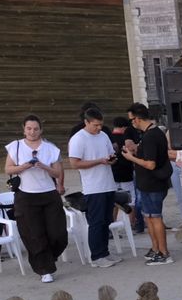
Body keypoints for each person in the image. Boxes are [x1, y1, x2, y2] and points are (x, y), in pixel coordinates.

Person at [3, 114, 68, 282]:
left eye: (36, 129)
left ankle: (49, 256)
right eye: (29, 129)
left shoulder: (50, 148)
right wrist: (24, 166)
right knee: (33, 234)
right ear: (24, 130)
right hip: (26, 195)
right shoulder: (15, 146)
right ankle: (44, 269)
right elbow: (8, 169)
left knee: (57, 233)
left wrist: (43, 166)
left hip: (48, 193)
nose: (32, 132)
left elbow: (57, 172)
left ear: (41, 130)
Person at [119, 103, 175, 266]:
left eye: (132, 120)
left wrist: (132, 158)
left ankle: (163, 252)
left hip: (153, 183)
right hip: (148, 183)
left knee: (155, 217)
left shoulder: (151, 136)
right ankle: (156, 248)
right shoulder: (152, 134)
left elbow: (150, 164)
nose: (132, 123)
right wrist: (136, 152)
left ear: (137, 118)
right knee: (149, 216)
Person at [67, 107, 123, 267]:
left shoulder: (103, 135)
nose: (99, 128)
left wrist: (111, 159)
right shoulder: (78, 139)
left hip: (108, 183)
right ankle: (96, 256)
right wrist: (99, 161)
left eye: (100, 125)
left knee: (107, 220)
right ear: (86, 122)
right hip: (93, 186)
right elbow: (74, 163)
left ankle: (105, 252)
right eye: (95, 125)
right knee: (96, 222)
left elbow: (110, 154)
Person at [109, 116, 144, 236]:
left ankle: (111, 225)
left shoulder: (107, 137)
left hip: (112, 173)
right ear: (124, 127)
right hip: (126, 172)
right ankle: (131, 224)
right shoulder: (126, 138)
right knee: (131, 200)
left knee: (113, 200)